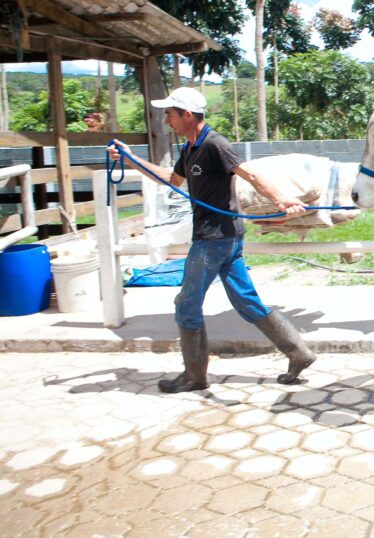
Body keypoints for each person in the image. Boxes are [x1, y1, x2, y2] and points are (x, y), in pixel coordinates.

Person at [107, 87, 316, 393]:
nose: (166, 120)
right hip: (224, 238)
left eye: (170, 114)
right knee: (246, 302)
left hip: (213, 240)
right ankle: (300, 352)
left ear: (187, 115)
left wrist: (283, 199)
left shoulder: (215, 144)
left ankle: (195, 376)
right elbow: (171, 179)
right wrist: (130, 158)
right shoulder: (190, 149)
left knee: (187, 306)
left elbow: (252, 175)